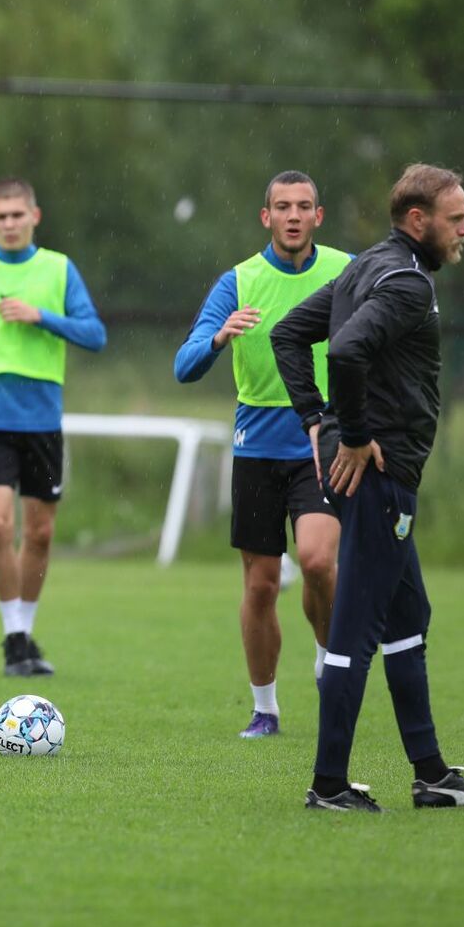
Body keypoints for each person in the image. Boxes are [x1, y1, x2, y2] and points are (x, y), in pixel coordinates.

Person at [271, 163, 464, 811]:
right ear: (418, 220)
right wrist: (345, 433)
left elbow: (290, 335)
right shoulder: (401, 281)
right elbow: (343, 351)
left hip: (383, 476)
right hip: (379, 476)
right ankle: (328, 785)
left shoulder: (370, 265)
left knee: (408, 618)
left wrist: (318, 420)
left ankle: (430, 774)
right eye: (455, 219)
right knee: (355, 629)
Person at [174, 171, 348, 738]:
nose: (293, 216)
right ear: (265, 217)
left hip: (322, 443)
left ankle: (327, 658)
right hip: (257, 446)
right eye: (282, 206)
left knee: (320, 562)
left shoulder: (346, 274)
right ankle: (265, 708)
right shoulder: (239, 281)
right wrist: (220, 337)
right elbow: (185, 364)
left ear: (318, 217)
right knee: (261, 585)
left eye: (304, 206)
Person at [0, 177, 106, 676]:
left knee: (41, 532)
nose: (10, 224)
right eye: (1, 216)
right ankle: (12, 635)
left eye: (18, 215)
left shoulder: (58, 268)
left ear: (35, 216)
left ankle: (26, 632)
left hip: (42, 417)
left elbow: (94, 334)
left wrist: (41, 316)